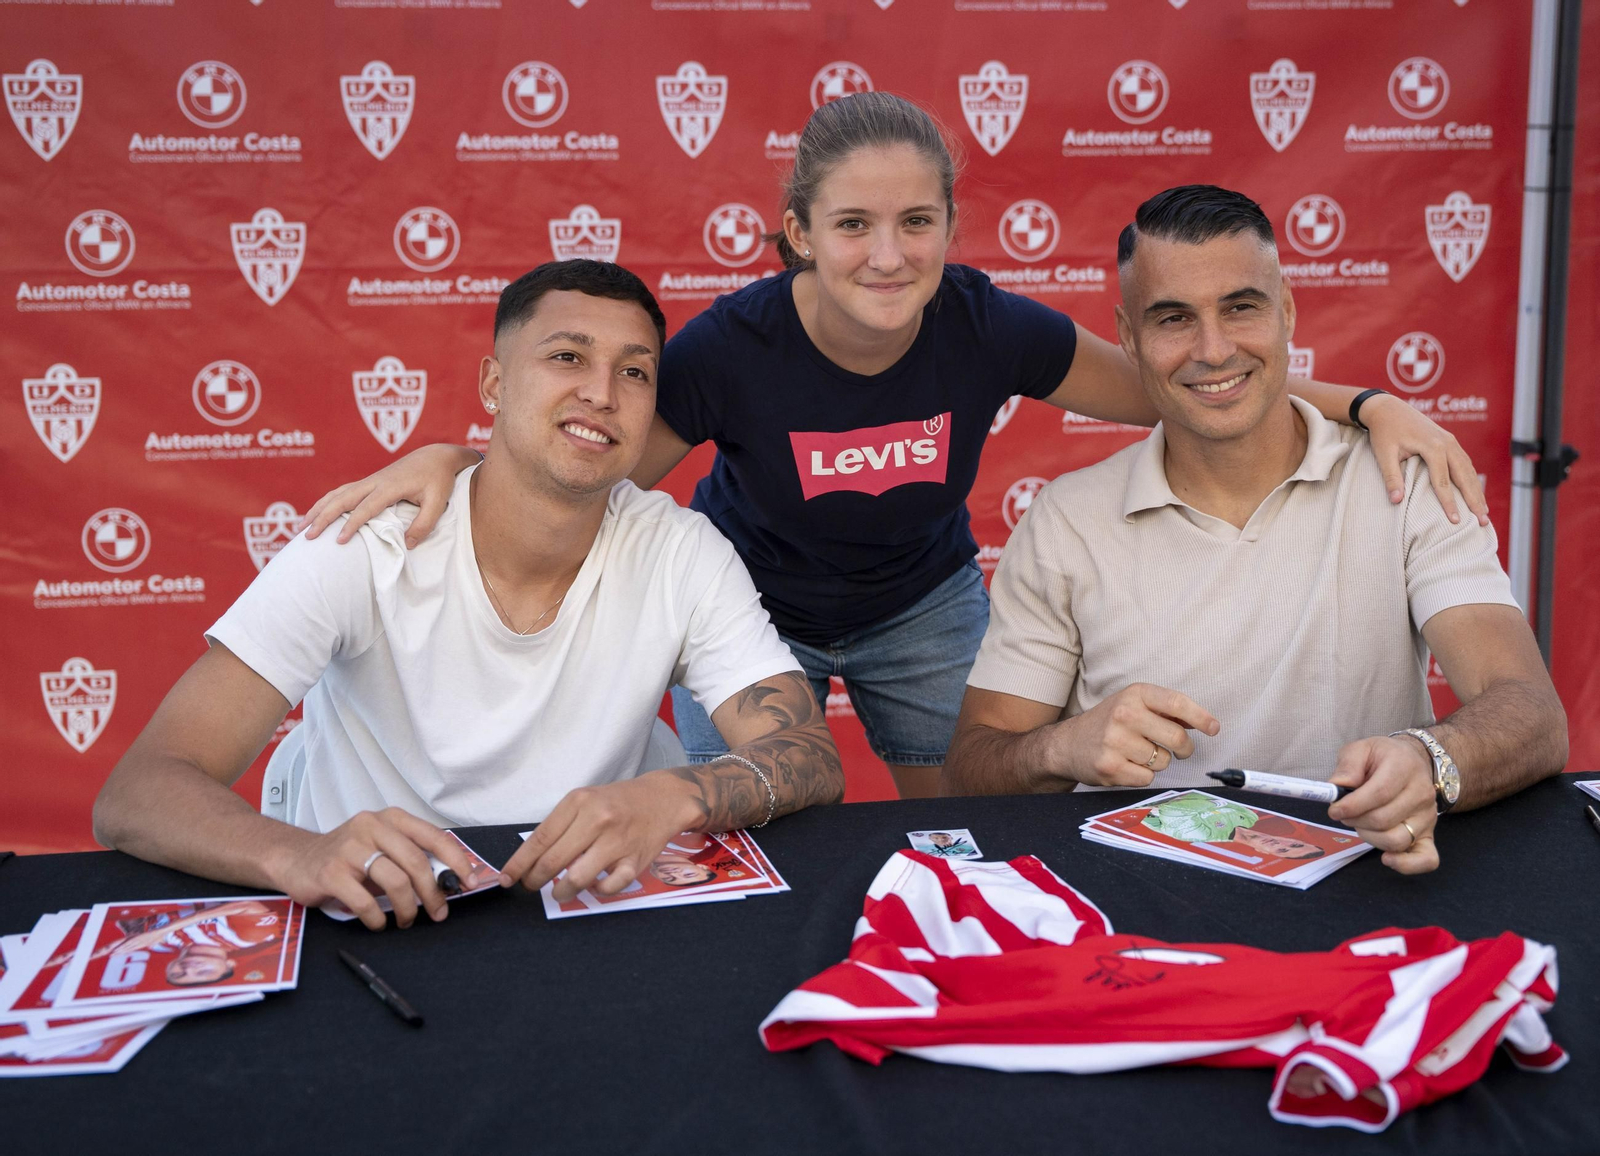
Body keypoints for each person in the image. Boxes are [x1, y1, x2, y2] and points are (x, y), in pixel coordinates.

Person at [297, 95, 1488, 801]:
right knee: (758, 827)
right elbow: (582, 462)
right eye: (852, 224)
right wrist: (453, 463)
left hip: (922, 605)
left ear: (950, 229)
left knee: (963, 821)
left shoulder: (986, 324)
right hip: (752, 606)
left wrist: (1363, 402)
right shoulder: (728, 348)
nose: (886, 253)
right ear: (794, 234)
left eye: (915, 222)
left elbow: (1179, 379)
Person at [93, 261, 844, 931]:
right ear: (493, 383)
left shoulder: (681, 550)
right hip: (371, 913)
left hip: (587, 906)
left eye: (635, 372)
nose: (600, 392)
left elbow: (809, 754)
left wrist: (675, 795)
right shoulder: (367, 542)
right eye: (566, 356)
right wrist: (301, 854)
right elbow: (140, 791)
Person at [941, 185, 1569, 874]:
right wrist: (1058, 749)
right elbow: (973, 768)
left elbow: (1531, 713)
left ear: (1289, 310)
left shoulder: (1404, 480)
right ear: (1127, 338)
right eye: (1174, 318)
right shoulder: (1066, 518)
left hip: (1360, 886)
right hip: (1135, 906)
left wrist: (1431, 761)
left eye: (1240, 307)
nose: (1213, 350)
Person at [1140, 797, 1325, 861]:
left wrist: (1212, 803)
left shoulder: (1204, 836)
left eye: (1283, 850)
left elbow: (1173, 809)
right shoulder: (1250, 816)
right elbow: (1193, 798)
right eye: (1295, 844)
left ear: (1264, 852)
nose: (1282, 844)